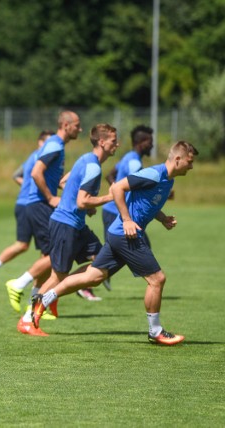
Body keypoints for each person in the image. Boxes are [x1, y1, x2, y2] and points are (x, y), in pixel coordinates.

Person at [32, 141, 198, 345]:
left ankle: (44, 299)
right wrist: (127, 220)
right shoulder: (154, 174)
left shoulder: (168, 181)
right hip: (126, 235)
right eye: (189, 162)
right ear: (178, 159)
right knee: (157, 279)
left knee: (93, 276)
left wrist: (162, 218)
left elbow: (147, 203)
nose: (191, 167)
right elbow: (118, 187)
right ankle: (155, 331)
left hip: (118, 235)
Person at [21, 124, 119, 336]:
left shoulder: (86, 159)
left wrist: (83, 201)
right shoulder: (93, 167)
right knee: (58, 275)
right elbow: (82, 201)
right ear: (102, 142)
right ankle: (28, 319)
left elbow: (65, 181)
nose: (117, 145)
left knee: (101, 261)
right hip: (65, 224)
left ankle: (55, 294)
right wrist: (108, 198)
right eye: (113, 141)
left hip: (76, 225)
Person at [3, 111, 82, 334]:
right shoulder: (55, 145)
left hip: (38, 204)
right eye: (77, 125)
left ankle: (37, 304)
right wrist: (50, 198)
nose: (80, 129)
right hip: (39, 204)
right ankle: (18, 284)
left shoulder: (57, 145)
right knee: (52, 256)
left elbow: (45, 176)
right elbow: (37, 172)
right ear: (66, 125)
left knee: (50, 256)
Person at [0, 130, 53, 289]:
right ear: (40, 142)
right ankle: (35, 296)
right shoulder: (42, 157)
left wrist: (27, 187)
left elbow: (16, 175)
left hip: (24, 203)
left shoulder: (32, 156)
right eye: (47, 142)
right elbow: (35, 176)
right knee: (46, 252)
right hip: (33, 204)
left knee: (27, 246)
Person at [100, 125, 154, 292]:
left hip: (113, 211)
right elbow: (138, 184)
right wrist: (120, 195)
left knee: (130, 249)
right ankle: (93, 279)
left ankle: (96, 277)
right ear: (142, 142)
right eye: (150, 142)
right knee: (126, 251)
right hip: (116, 213)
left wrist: (118, 192)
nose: (152, 145)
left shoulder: (128, 157)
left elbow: (109, 175)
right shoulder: (133, 162)